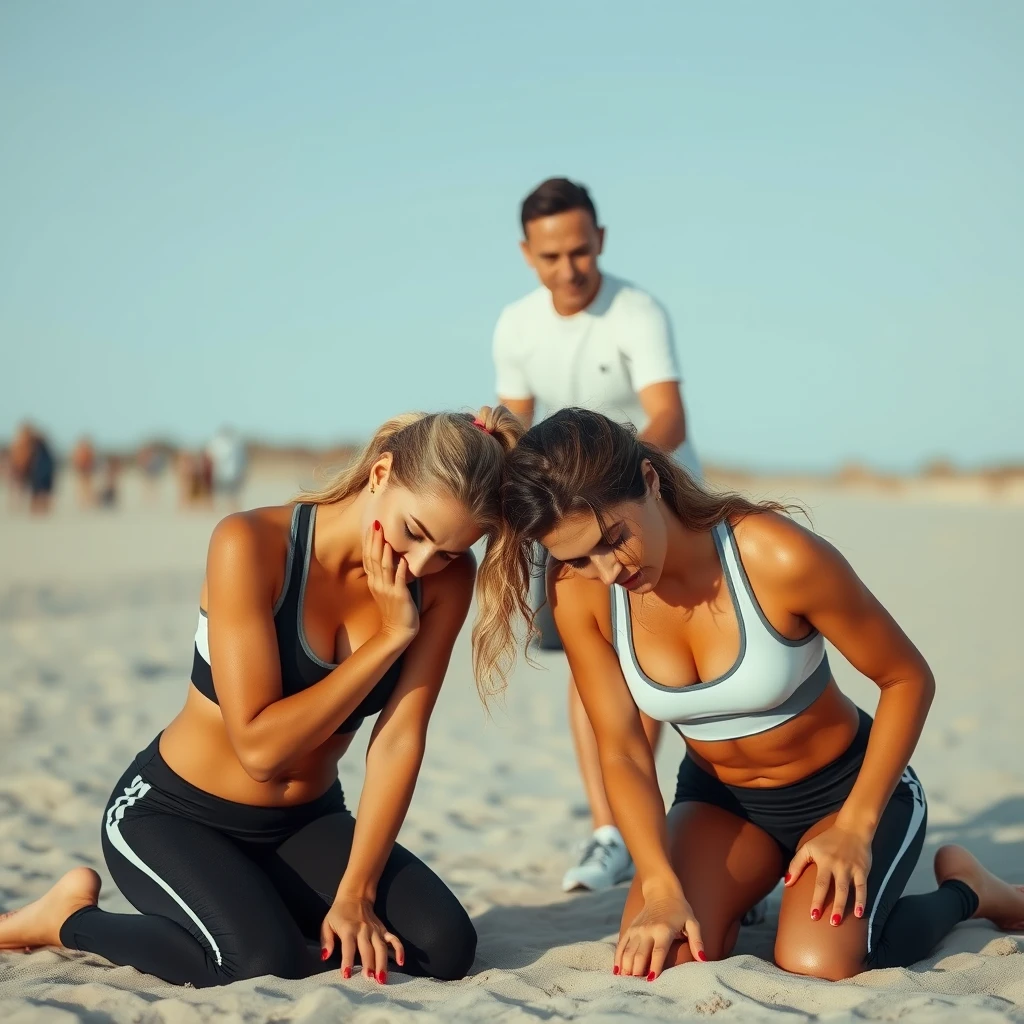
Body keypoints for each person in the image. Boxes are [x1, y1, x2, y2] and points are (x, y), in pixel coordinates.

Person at [481, 407, 1024, 981]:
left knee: (819, 963)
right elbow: (622, 750)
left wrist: (856, 828)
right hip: (720, 805)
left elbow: (907, 678)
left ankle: (970, 890)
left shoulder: (775, 556)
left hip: (846, 792)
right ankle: (737, 895)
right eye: (577, 558)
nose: (607, 570)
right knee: (663, 960)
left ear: (649, 479)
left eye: (614, 539)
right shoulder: (582, 594)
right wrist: (662, 885)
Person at [0, 408, 522, 988]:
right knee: (258, 965)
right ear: (380, 474)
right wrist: (391, 637)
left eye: (450, 551)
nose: (421, 565)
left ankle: (268, 916)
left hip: (305, 822)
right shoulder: (250, 543)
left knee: (444, 949)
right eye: (415, 533)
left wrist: (356, 894)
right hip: (173, 815)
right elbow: (260, 749)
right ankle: (68, 920)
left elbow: (400, 737)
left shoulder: (446, 581)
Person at [492, 177, 702, 892]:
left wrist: (626, 476)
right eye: (551, 256)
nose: (569, 268)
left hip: (651, 499)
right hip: (573, 517)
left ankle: (642, 815)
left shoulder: (637, 311)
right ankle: (608, 832)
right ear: (528, 254)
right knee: (590, 677)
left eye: (580, 251)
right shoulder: (515, 327)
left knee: (653, 675)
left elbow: (668, 416)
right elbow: (515, 427)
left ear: (601, 241)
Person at [207, 426, 248, 510]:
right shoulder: (236, 444)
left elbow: (209, 457)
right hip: (226, 473)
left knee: (228, 493)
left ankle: (218, 508)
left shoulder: (234, 444)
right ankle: (230, 509)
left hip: (225, 473)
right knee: (226, 493)